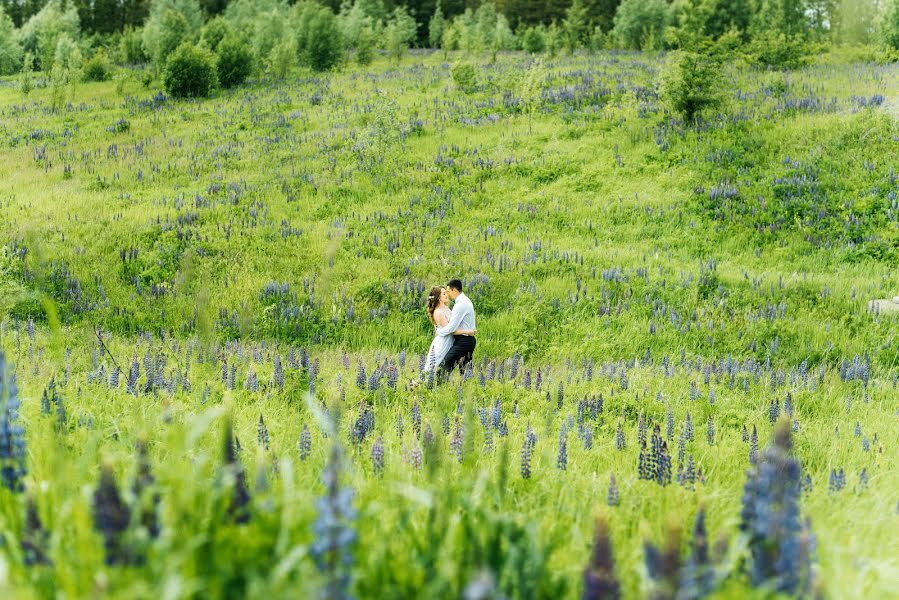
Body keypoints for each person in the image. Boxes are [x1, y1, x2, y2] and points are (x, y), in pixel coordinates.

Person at [435, 279, 477, 378]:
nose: (448, 295)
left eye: (448, 292)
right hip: (467, 340)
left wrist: (439, 331)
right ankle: (470, 390)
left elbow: (451, 328)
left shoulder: (461, 304)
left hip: (464, 341)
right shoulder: (465, 301)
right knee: (466, 372)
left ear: (455, 291)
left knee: (444, 366)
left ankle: (440, 390)